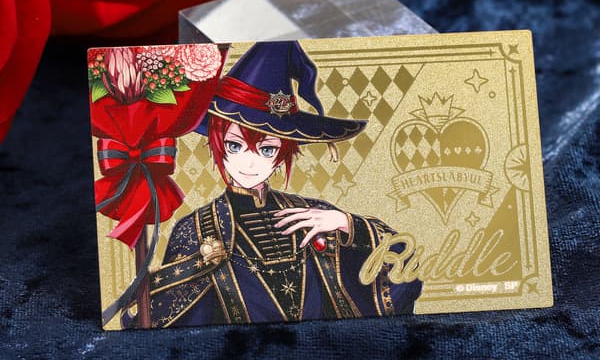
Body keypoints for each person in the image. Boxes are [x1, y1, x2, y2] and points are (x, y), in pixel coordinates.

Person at [125, 41, 421, 328]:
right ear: (217, 143)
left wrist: (346, 223)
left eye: (266, 149)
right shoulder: (196, 229)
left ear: (283, 154)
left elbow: (405, 271)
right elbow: (164, 321)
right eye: (234, 145)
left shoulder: (315, 215)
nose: (249, 163)